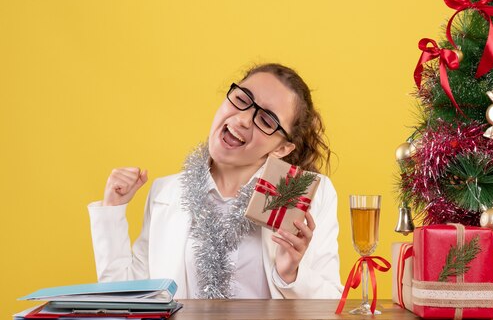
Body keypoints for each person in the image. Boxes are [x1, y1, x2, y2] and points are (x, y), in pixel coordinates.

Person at [88, 63, 343, 299]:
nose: (242, 119)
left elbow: (332, 302)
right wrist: (112, 210)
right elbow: (126, 297)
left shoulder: (306, 195)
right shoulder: (165, 193)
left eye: (266, 120)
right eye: (242, 99)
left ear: (282, 148)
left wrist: (290, 275)